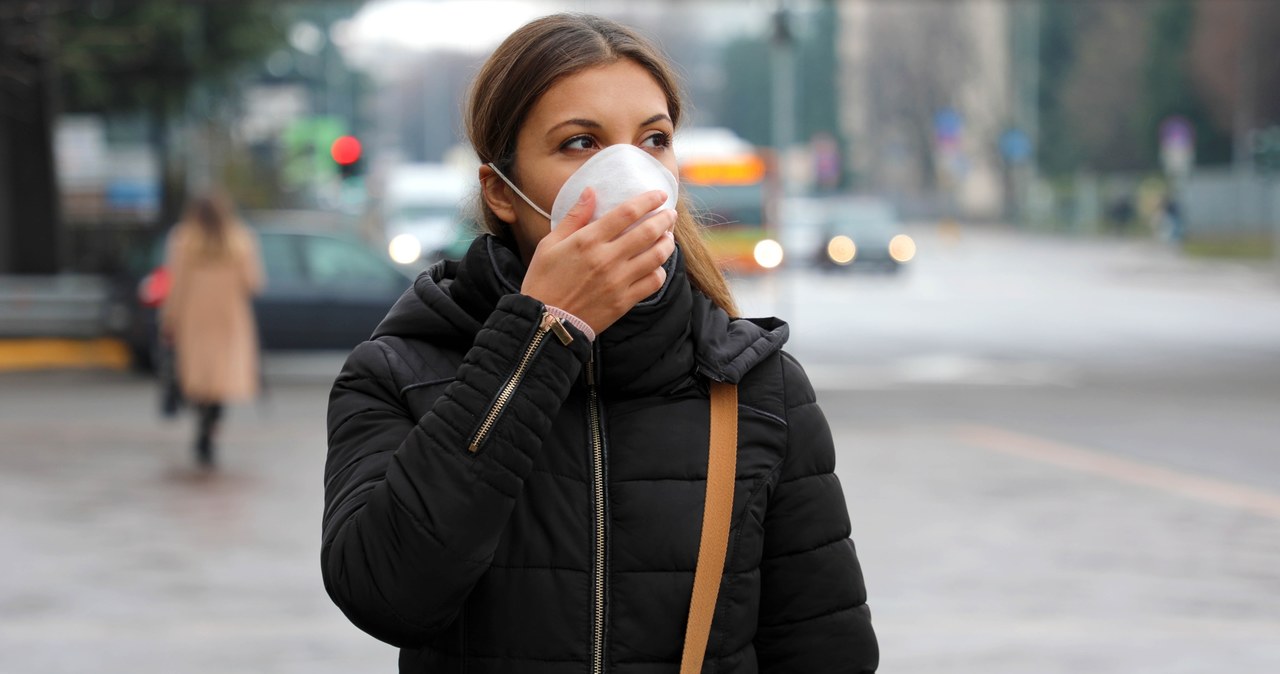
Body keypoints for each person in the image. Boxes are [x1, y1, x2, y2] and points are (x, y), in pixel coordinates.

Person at [322, 13, 877, 673]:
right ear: (502, 191)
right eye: (581, 143)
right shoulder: (398, 372)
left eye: (654, 139)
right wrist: (541, 335)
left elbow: (824, 651)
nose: (629, 174)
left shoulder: (758, 387)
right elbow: (387, 595)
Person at [160, 192, 264, 467]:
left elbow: (176, 285)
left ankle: (203, 423)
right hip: (230, 318)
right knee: (221, 378)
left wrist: (169, 319)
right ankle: (211, 427)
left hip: (194, 318)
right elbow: (254, 282)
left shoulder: (183, 240)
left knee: (199, 377)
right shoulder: (240, 240)